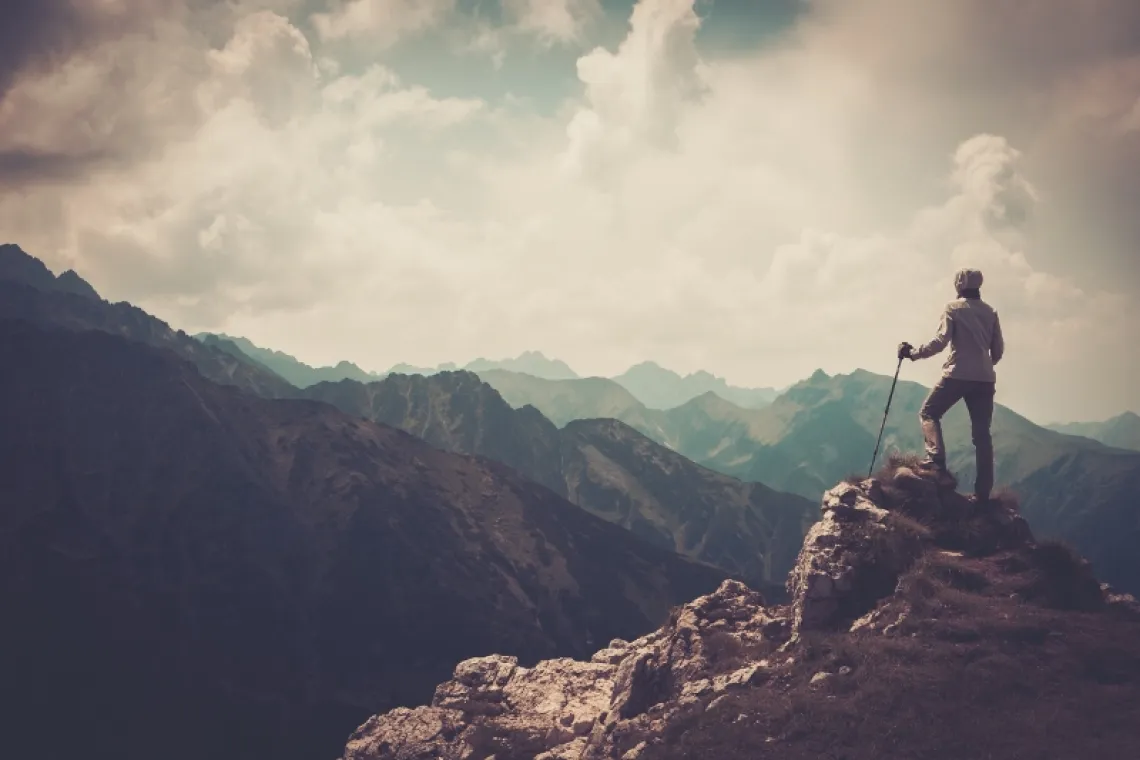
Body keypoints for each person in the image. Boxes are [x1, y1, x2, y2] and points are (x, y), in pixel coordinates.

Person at [898, 268, 1005, 503]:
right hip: (985, 378)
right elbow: (997, 350)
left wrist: (913, 354)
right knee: (981, 436)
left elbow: (940, 341)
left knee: (929, 412)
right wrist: (984, 365)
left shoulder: (953, 308)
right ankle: (983, 494)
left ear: (959, 285)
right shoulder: (991, 312)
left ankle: (936, 463)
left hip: (957, 374)